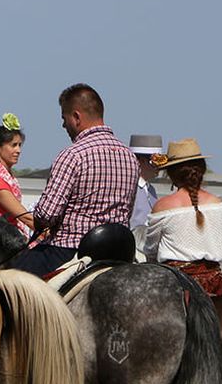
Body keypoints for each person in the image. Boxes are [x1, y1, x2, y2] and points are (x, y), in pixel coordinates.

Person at [8, 84, 139, 276]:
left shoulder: (72, 155)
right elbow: (128, 211)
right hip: (118, 253)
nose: (63, 125)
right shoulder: (130, 157)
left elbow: (47, 215)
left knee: (8, 279)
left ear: (76, 117)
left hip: (71, 251)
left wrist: (39, 219)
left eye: (64, 118)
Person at [142, 138, 222, 295]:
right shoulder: (219, 204)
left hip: (175, 284)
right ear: (202, 170)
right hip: (213, 282)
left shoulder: (162, 206)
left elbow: (151, 251)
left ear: (171, 175)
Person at [129, 133, 164, 229]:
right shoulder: (130, 188)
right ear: (142, 161)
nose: (159, 166)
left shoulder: (151, 190)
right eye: (155, 161)